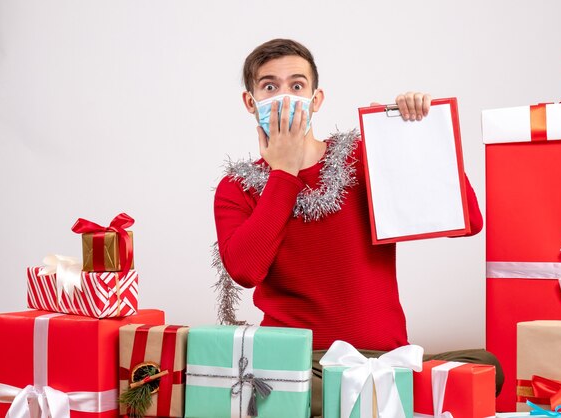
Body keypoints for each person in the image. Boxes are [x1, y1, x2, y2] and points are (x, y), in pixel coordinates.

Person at [213, 38, 502, 417]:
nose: (284, 97)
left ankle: (368, 391)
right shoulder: (237, 187)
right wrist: (282, 171)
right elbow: (246, 271)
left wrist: (416, 135)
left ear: (316, 99)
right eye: (270, 86)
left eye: (296, 85)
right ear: (251, 102)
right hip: (305, 366)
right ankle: (367, 397)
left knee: (485, 367)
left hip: (386, 358)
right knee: (286, 392)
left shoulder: (361, 158)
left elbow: (467, 221)